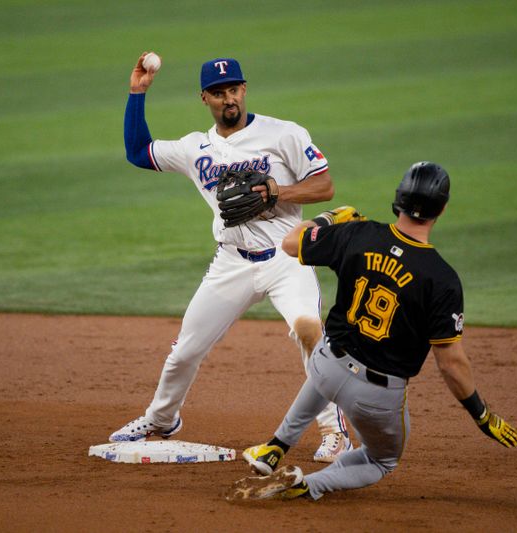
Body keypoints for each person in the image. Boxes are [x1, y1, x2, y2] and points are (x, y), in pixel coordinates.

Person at [227, 162, 517, 501]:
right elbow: (451, 364)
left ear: (398, 199)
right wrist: (481, 415)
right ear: (442, 208)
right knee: (381, 460)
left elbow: (291, 243)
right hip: (375, 397)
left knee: (325, 366)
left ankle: (275, 448)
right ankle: (309, 484)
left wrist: (331, 217)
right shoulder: (442, 279)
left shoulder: (358, 234)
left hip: (326, 364)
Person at [109, 53, 352, 462]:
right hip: (231, 262)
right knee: (185, 350)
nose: (228, 99)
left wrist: (279, 192)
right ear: (204, 98)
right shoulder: (193, 148)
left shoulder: (284, 134)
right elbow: (138, 152)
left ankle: (335, 431)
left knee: (309, 330)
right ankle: (162, 418)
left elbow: (324, 186)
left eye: (234, 89)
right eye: (219, 93)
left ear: (244, 90)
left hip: (285, 258)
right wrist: (138, 93)